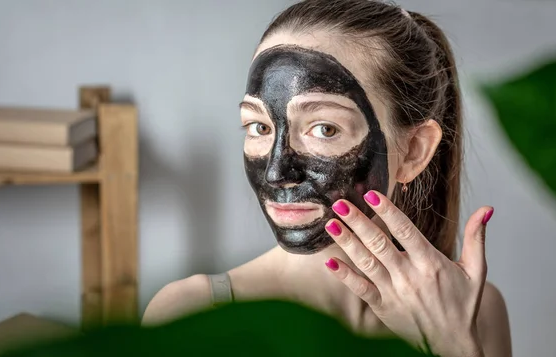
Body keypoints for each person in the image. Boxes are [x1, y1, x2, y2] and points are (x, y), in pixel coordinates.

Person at [143, 1, 512, 356]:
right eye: (259, 126)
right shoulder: (194, 315)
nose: (277, 172)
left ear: (414, 150)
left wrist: (454, 348)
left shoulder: (473, 311)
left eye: (324, 128)